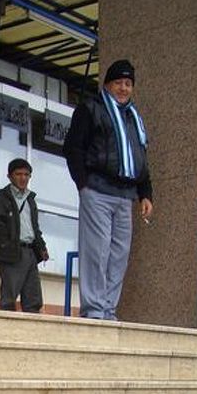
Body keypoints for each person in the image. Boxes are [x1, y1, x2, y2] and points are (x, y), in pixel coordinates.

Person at [63, 59, 153, 321]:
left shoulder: (133, 118)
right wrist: (83, 185)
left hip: (125, 196)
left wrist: (146, 193)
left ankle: (108, 310)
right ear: (107, 84)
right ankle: (93, 311)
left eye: (128, 84)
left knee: (118, 256)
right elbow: (73, 148)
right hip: (97, 191)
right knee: (96, 251)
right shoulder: (90, 109)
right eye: (118, 83)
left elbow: (140, 158)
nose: (124, 88)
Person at [0, 158, 49, 313]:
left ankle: (32, 328)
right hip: (11, 252)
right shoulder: (2, 197)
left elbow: (34, 228)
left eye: (26, 175)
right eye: (18, 174)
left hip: (30, 252)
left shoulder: (30, 200)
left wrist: (42, 247)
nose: (23, 178)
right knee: (9, 297)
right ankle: (6, 327)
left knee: (33, 300)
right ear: (10, 176)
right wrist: (5, 244)